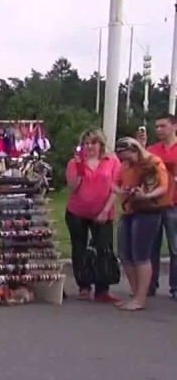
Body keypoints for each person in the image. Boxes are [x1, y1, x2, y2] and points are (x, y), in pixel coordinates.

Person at [112, 137, 170, 311]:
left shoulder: (152, 162)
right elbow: (114, 183)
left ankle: (140, 298)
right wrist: (121, 190)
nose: (124, 161)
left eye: (127, 156)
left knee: (141, 255)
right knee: (125, 254)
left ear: (135, 150)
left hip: (147, 211)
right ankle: (135, 292)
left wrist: (146, 196)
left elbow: (163, 187)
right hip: (129, 209)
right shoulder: (125, 166)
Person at [65, 129, 121, 302]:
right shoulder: (75, 162)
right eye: (86, 143)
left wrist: (105, 210)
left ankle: (102, 288)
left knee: (103, 248)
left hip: (103, 211)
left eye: (93, 143)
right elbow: (73, 188)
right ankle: (83, 286)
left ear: (100, 145)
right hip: (77, 211)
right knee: (79, 248)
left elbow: (116, 187)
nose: (89, 147)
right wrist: (79, 169)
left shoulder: (111, 160)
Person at [147, 113, 177, 298]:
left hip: (174, 203)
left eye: (163, 126)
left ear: (174, 126)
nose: (159, 130)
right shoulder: (152, 150)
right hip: (154, 203)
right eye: (157, 127)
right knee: (151, 246)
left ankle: (175, 287)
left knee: (175, 247)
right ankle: (149, 284)